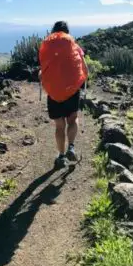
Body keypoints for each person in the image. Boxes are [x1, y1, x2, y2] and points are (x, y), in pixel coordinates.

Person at [39, 21, 89, 169]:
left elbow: (43, 70)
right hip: (72, 90)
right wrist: (79, 81)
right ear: (67, 32)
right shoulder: (75, 46)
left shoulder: (47, 46)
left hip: (54, 91)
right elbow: (85, 69)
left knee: (59, 125)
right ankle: (71, 147)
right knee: (72, 120)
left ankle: (61, 157)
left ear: (53, 31)